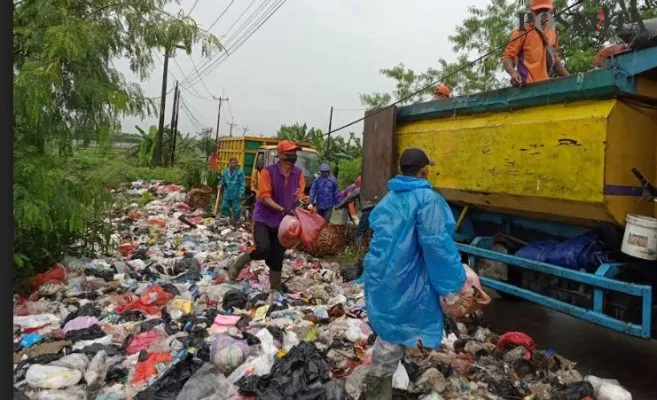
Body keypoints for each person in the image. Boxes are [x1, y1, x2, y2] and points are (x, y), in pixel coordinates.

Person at [363, 148, 467, 398]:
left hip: (384, 278)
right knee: (391, 339)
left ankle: (378, 388)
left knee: (388, 334)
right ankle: (377, 393)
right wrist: (451, 287)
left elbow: (378, 240)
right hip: (407, 281)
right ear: (423, 170)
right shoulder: (427, 199)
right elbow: (436, 245)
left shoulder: (390, 198)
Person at [227, 140, 305, 298]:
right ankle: (238, 265)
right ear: (281, 155)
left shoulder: (298, 174)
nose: (293, 155)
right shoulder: (268, 172)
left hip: (283, 222)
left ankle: (275, 288)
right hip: (263, 217)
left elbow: (300, 195)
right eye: (290, 152)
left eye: (295, 152)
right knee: (262, 249)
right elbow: (264, 197)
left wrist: (304, 203)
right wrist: (283, 209)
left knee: (277, 254)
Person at [502, 0, 569, 88]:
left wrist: (571, 79)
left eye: (545, 10)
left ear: (551, 10)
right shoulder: (522, 31)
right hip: (526, 87)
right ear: (531, 11)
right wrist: (513, 73)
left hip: (544, 87)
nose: (542, 14)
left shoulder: (552, 33)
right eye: (538, 10)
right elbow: (508, 57)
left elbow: (555, 62)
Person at [219, 157, 245, 223]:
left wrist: (241, 193)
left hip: (236, 194)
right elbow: (222, 180)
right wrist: (220, 185)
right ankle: (226, 220)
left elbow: (242, 183)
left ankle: (236, 221)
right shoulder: (225, 171)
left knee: (236, 209)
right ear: (229, 163)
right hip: (227, 193)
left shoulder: (240, 172)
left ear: (237, 164)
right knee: (224, 207)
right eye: (232, 163)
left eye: (235, 163)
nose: (233, 164)